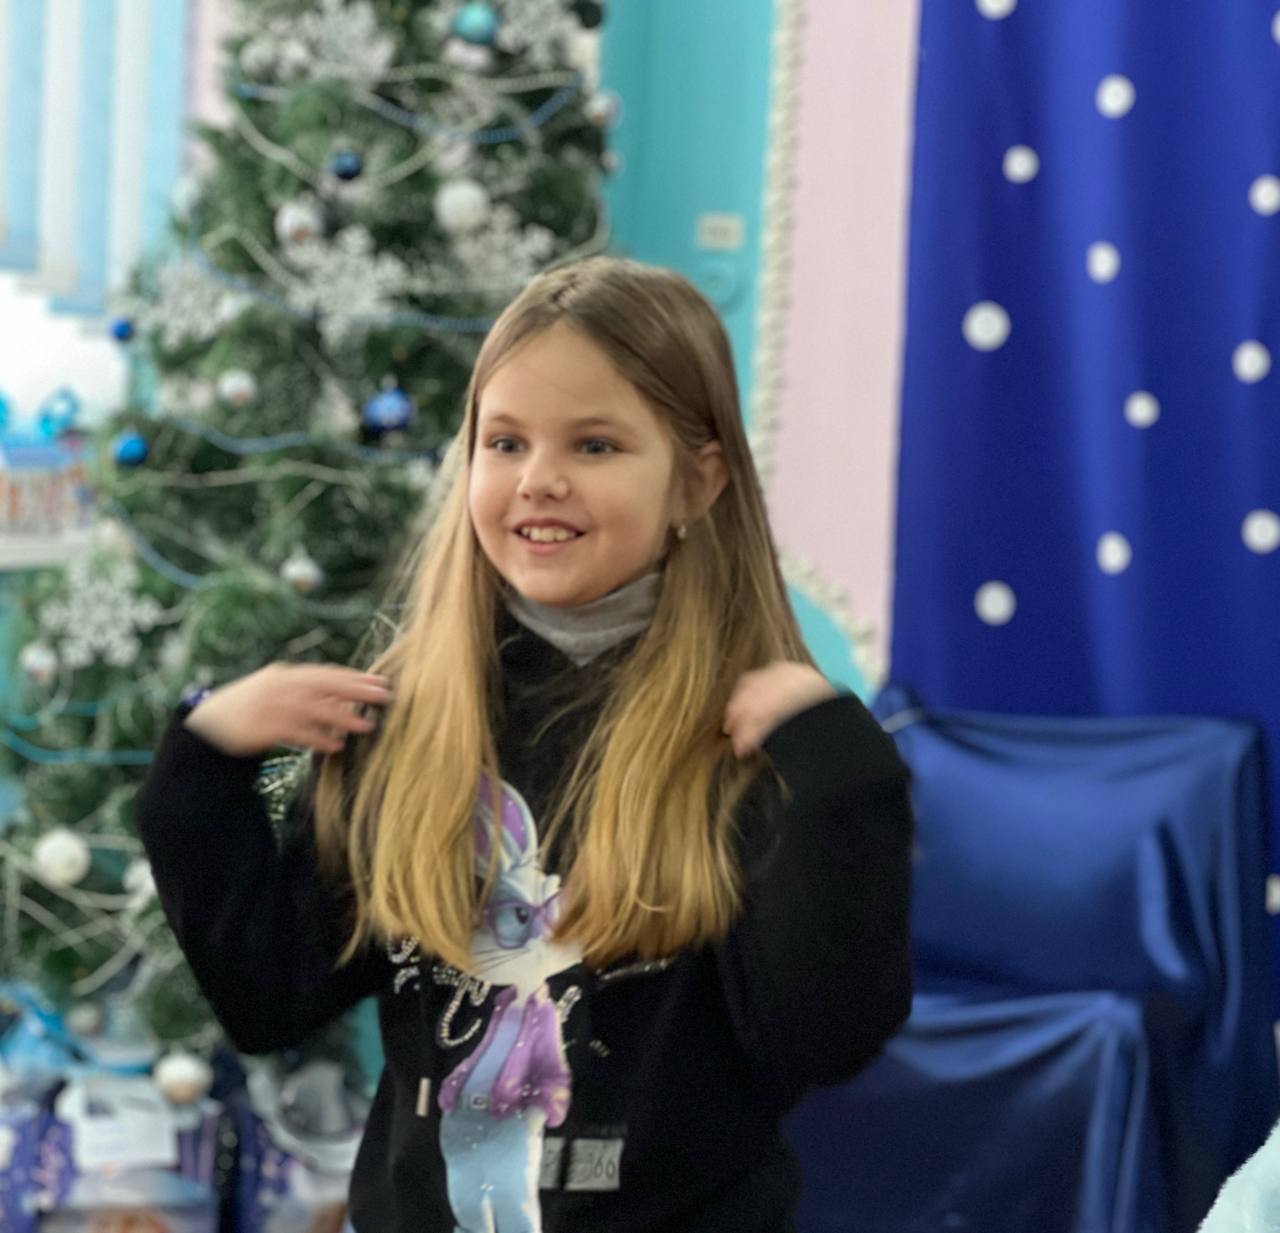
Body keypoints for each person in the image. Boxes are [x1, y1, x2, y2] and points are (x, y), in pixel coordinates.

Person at [134, 256, 913, 1233]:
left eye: (595, 444)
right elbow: (270, 997)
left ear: (697, 481)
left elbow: (823, 1039)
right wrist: (203, 769)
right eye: (504, 442)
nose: (539, 480)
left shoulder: (755, 742)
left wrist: (841, 783)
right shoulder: (411, 726)